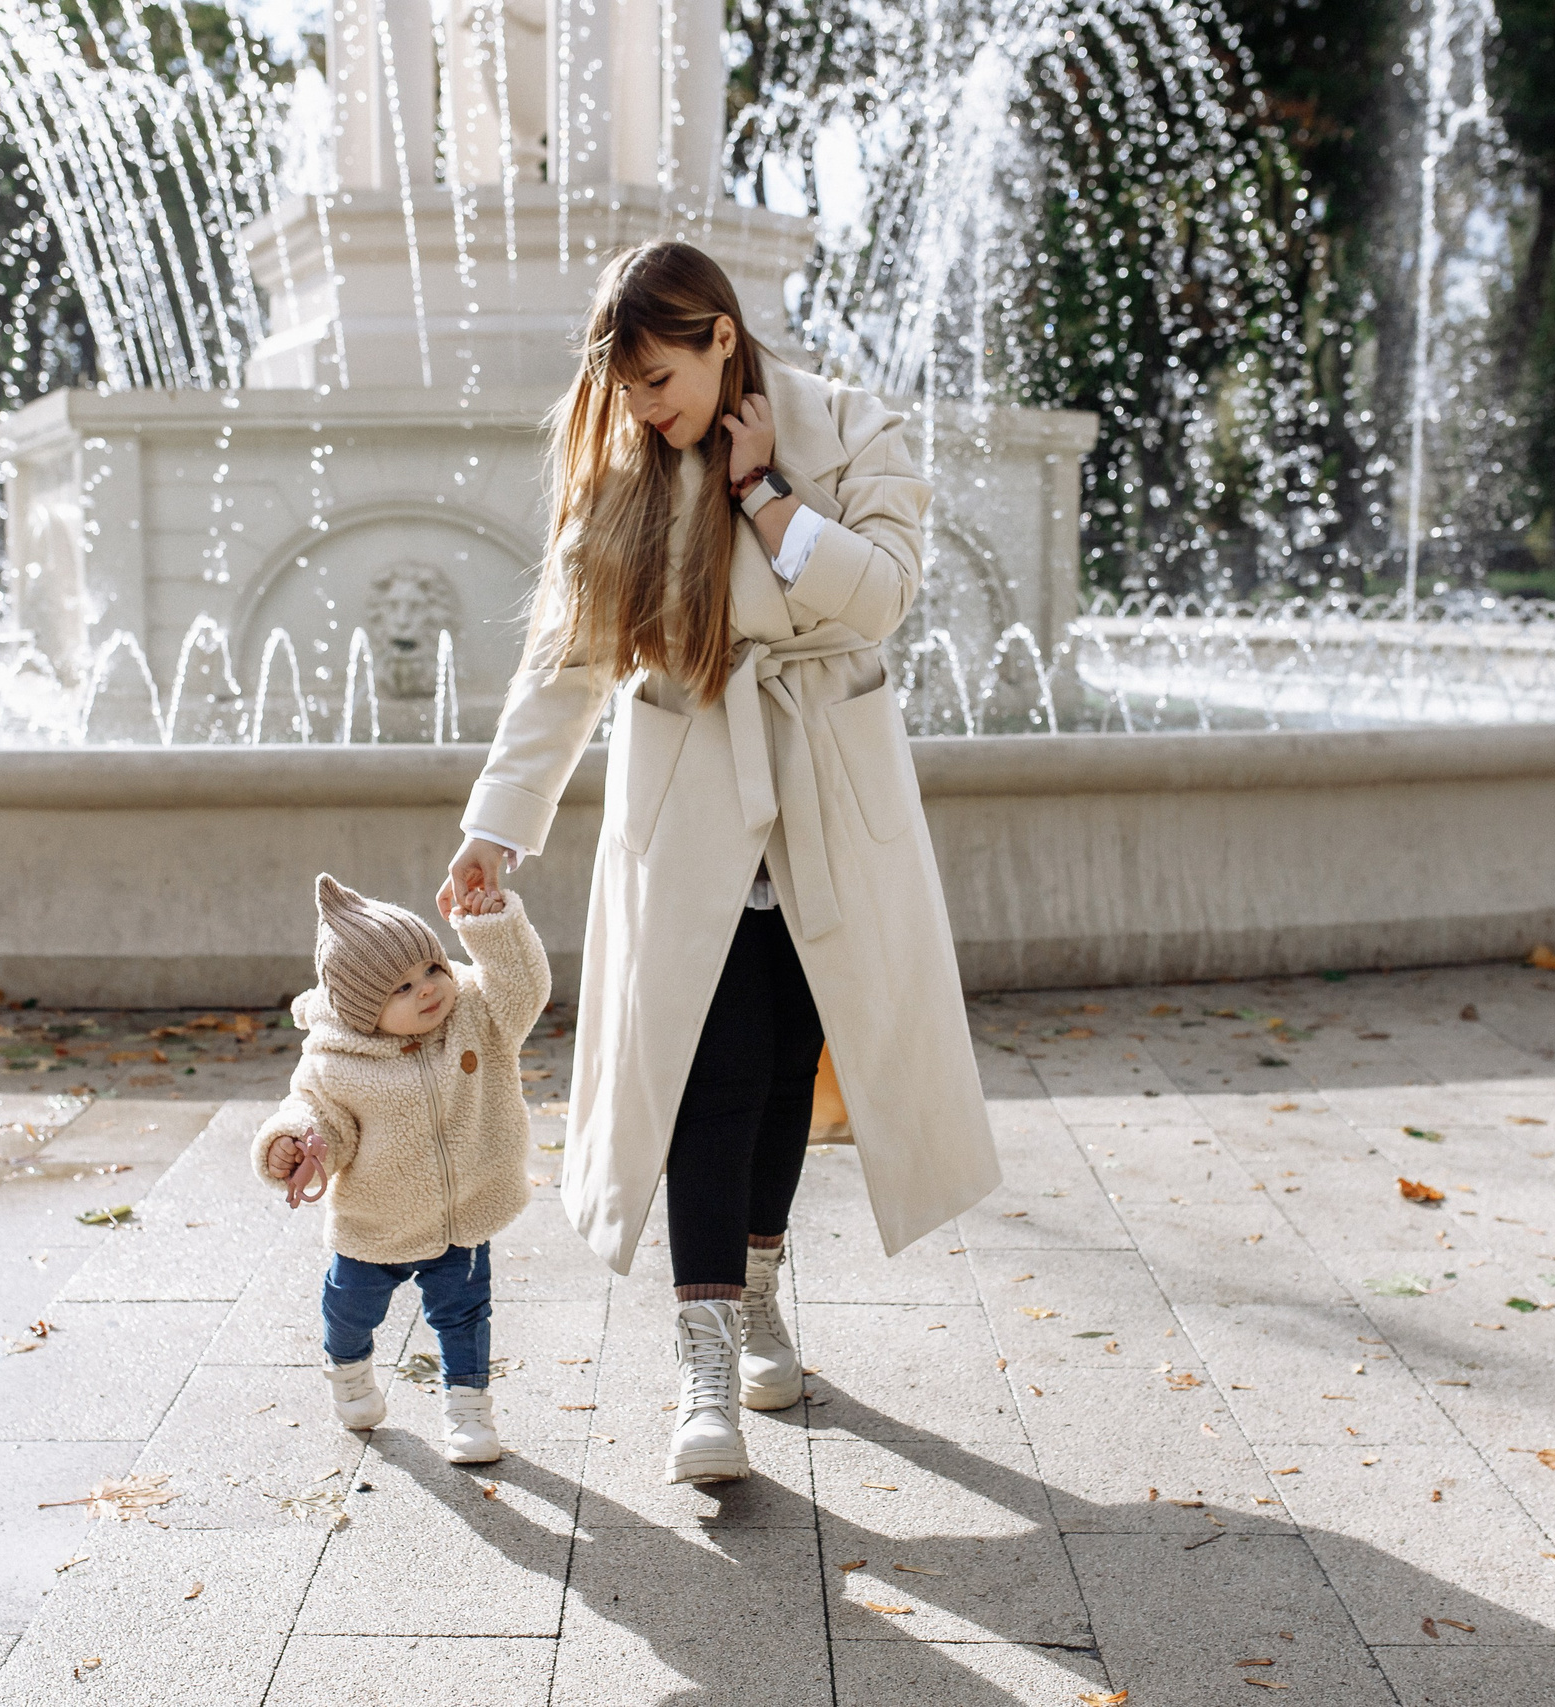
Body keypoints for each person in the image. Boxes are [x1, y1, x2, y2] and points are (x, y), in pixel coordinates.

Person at [436, 240, 998, 1485]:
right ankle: (704, 1365)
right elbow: (564, 666)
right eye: (626, 386)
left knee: (788, 1060)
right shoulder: (624, 480)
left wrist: (766, 497)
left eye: (659, 379)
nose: (643, 407)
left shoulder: (849, 427)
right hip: (693, 803)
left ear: (720, 339)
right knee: (707, 1071)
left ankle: (755, 1294)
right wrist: (496, 824)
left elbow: (885, 595)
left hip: (827, 801)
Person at [253, 873, 552, 1464]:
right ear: (364, 1010)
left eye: (433, 968)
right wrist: (290, 1143)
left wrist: (490, 927)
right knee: (351, 1309)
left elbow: (523, 985)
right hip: (377, 1222)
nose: (428, 989)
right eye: (402, 987)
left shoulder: (476, 1013)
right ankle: (348, 1369)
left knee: (465, 1315)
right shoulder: (336, 1060)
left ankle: (468, 1410)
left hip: (462, 1214)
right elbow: (317, 1117)